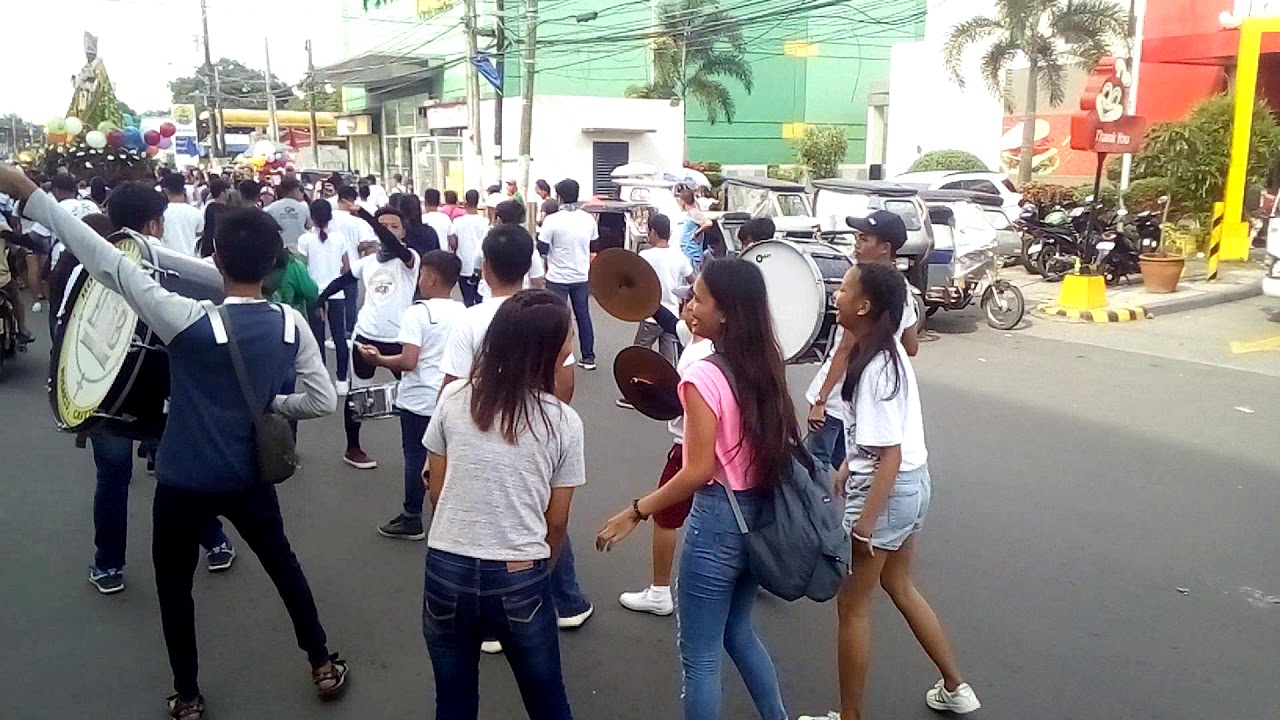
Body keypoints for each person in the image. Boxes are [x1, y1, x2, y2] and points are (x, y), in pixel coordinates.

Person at [1, 165, 348, 719]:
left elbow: (110, 263)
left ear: (215, 256)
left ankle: (187, 696)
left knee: (174, 590)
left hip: (184, 480)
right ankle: (321, 661)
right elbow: (320, 401)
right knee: (284, 568)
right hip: (249, 478)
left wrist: (30, 194)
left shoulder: (187, 321)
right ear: (274, 262)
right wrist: (271, 405)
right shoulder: (290, 325)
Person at [596, 258, 799, 720]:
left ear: (725, 311)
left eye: (699, 299)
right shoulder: (764, 361)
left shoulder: (702, 374)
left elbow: (697, 469)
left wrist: (636, 510)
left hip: (718, 524)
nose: (689, 306)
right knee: (739, 633)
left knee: (701, 656)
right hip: (759, 517)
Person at [797, 263, 979, 720]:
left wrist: (865, 523)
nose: (835, 294)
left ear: (864, 306)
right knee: (898, 584)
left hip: (890, 491)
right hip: (914, 487)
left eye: (844, 289)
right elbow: (882, 441)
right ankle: (956, 686)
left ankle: (850, 716)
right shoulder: (884, 353)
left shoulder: (875, 366)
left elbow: (889, 455)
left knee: (853, 607)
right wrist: (846, 465)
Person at [423, 289, 583, 720]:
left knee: (453, 701)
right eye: (567, 336)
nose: (571, 342)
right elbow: (558, 522)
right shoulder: (564, 422)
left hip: (446, 565)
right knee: (547, 700)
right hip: (519, 574)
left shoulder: (454, 400)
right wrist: (536, 570)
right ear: (549, 349)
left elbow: (436, 491)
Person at [439, 224, 592, 651]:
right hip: (540, 439)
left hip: (478, 429)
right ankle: (566, 600)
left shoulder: (471, 319)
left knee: (488, 520)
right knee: (542, 515)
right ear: (530, 266)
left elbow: (452, 385)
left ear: (484, 268)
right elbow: (565, 386)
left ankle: (490, 624)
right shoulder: (549, 314)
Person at [806, 211, 919, 485]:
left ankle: (820, 523)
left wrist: (820, 400)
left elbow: (845, 349)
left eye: (865, 238)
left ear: (885, 248)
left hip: (837, 397)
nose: (857, 243)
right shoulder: (901, 289)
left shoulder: (862, 288)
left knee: (813, 465)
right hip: (864, 395)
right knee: (852, 459)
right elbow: (911, 346)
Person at [357, 250, 464, 540]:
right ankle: (450, 518)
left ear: (428, 276)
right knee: (451, 459)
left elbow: (408, 361)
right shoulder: (465, 313)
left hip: (419, 399)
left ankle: (412, 516)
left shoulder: (418, 312)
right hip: (453, 397)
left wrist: (378, 359)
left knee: (416, 458)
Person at [617, 296, 713, 616]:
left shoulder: (706, 354)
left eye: (699, 300)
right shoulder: (699, 338)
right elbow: (672, 323)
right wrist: (644, 293)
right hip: (712, 448)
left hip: (690, 448)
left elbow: (685, 403)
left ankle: (659, 592)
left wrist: (651, 390)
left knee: (665, 517)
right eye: (691, 298)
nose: (690, 306)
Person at [319, 213, 419, 469]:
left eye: (393, 226)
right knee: (358, 396)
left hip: (399, 340)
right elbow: (342, 280)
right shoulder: (368, 262)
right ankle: (353, 449)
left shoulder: (410, 260)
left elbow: (393, 244)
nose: (387, 231)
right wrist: (318, 301)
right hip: (365, 337)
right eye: (382, 226)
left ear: (403, 232)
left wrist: (369, 218)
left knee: (414, 394)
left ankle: (419, 450)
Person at [298, 199, 356, 393]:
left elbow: (302, 268)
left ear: (312, 217)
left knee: (317, 339)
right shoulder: (339, 238)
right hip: (336, 292)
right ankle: (342, 379)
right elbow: (346, 266)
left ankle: (322, 380)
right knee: (340, 337)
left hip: (314, 294)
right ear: (330, 216)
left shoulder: (304, 239)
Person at [540, 179, 597, 370]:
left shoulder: (552, 220)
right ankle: (588, 357)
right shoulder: (588, 219)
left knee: (556, 317)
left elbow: (542, 248)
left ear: (560, 196)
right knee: (583, 316)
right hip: (581, 275)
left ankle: (555, 356)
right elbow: (595, 244)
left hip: (557, 277)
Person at [478, 200, 545, 301]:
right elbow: (538, 279)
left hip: (490, 298)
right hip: (521, 301)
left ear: (498, 219)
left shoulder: (487, 238)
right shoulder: (525, 240)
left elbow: (476, 261)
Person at [451, 189, 489, 307]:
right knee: (480, 300)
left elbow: (453, 242)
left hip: (463, 265)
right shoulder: (485, 222)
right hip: (481, 267)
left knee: (467, 300)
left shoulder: (457, 222)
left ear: (465, 202)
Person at [160, 174, 204, 256]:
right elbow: (199, 237)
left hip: (165, 262)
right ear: (184, 190)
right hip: (192, 262)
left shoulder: (160, 213)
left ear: (165, 191)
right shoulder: (196, 213)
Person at [265, 177, 311, 249]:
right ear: (294, 190)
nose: (302, 193)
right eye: (300, 190)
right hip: (299, 249)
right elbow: (309, 226)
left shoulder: (271, 208)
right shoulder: (303, 208)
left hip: (278, 249)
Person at [675, 188, 712, 268]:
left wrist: (697, 233)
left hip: (692, 254)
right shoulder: (688, 213)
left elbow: (708, 223)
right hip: (687, 253)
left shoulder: (694, 212)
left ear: (683, 201)